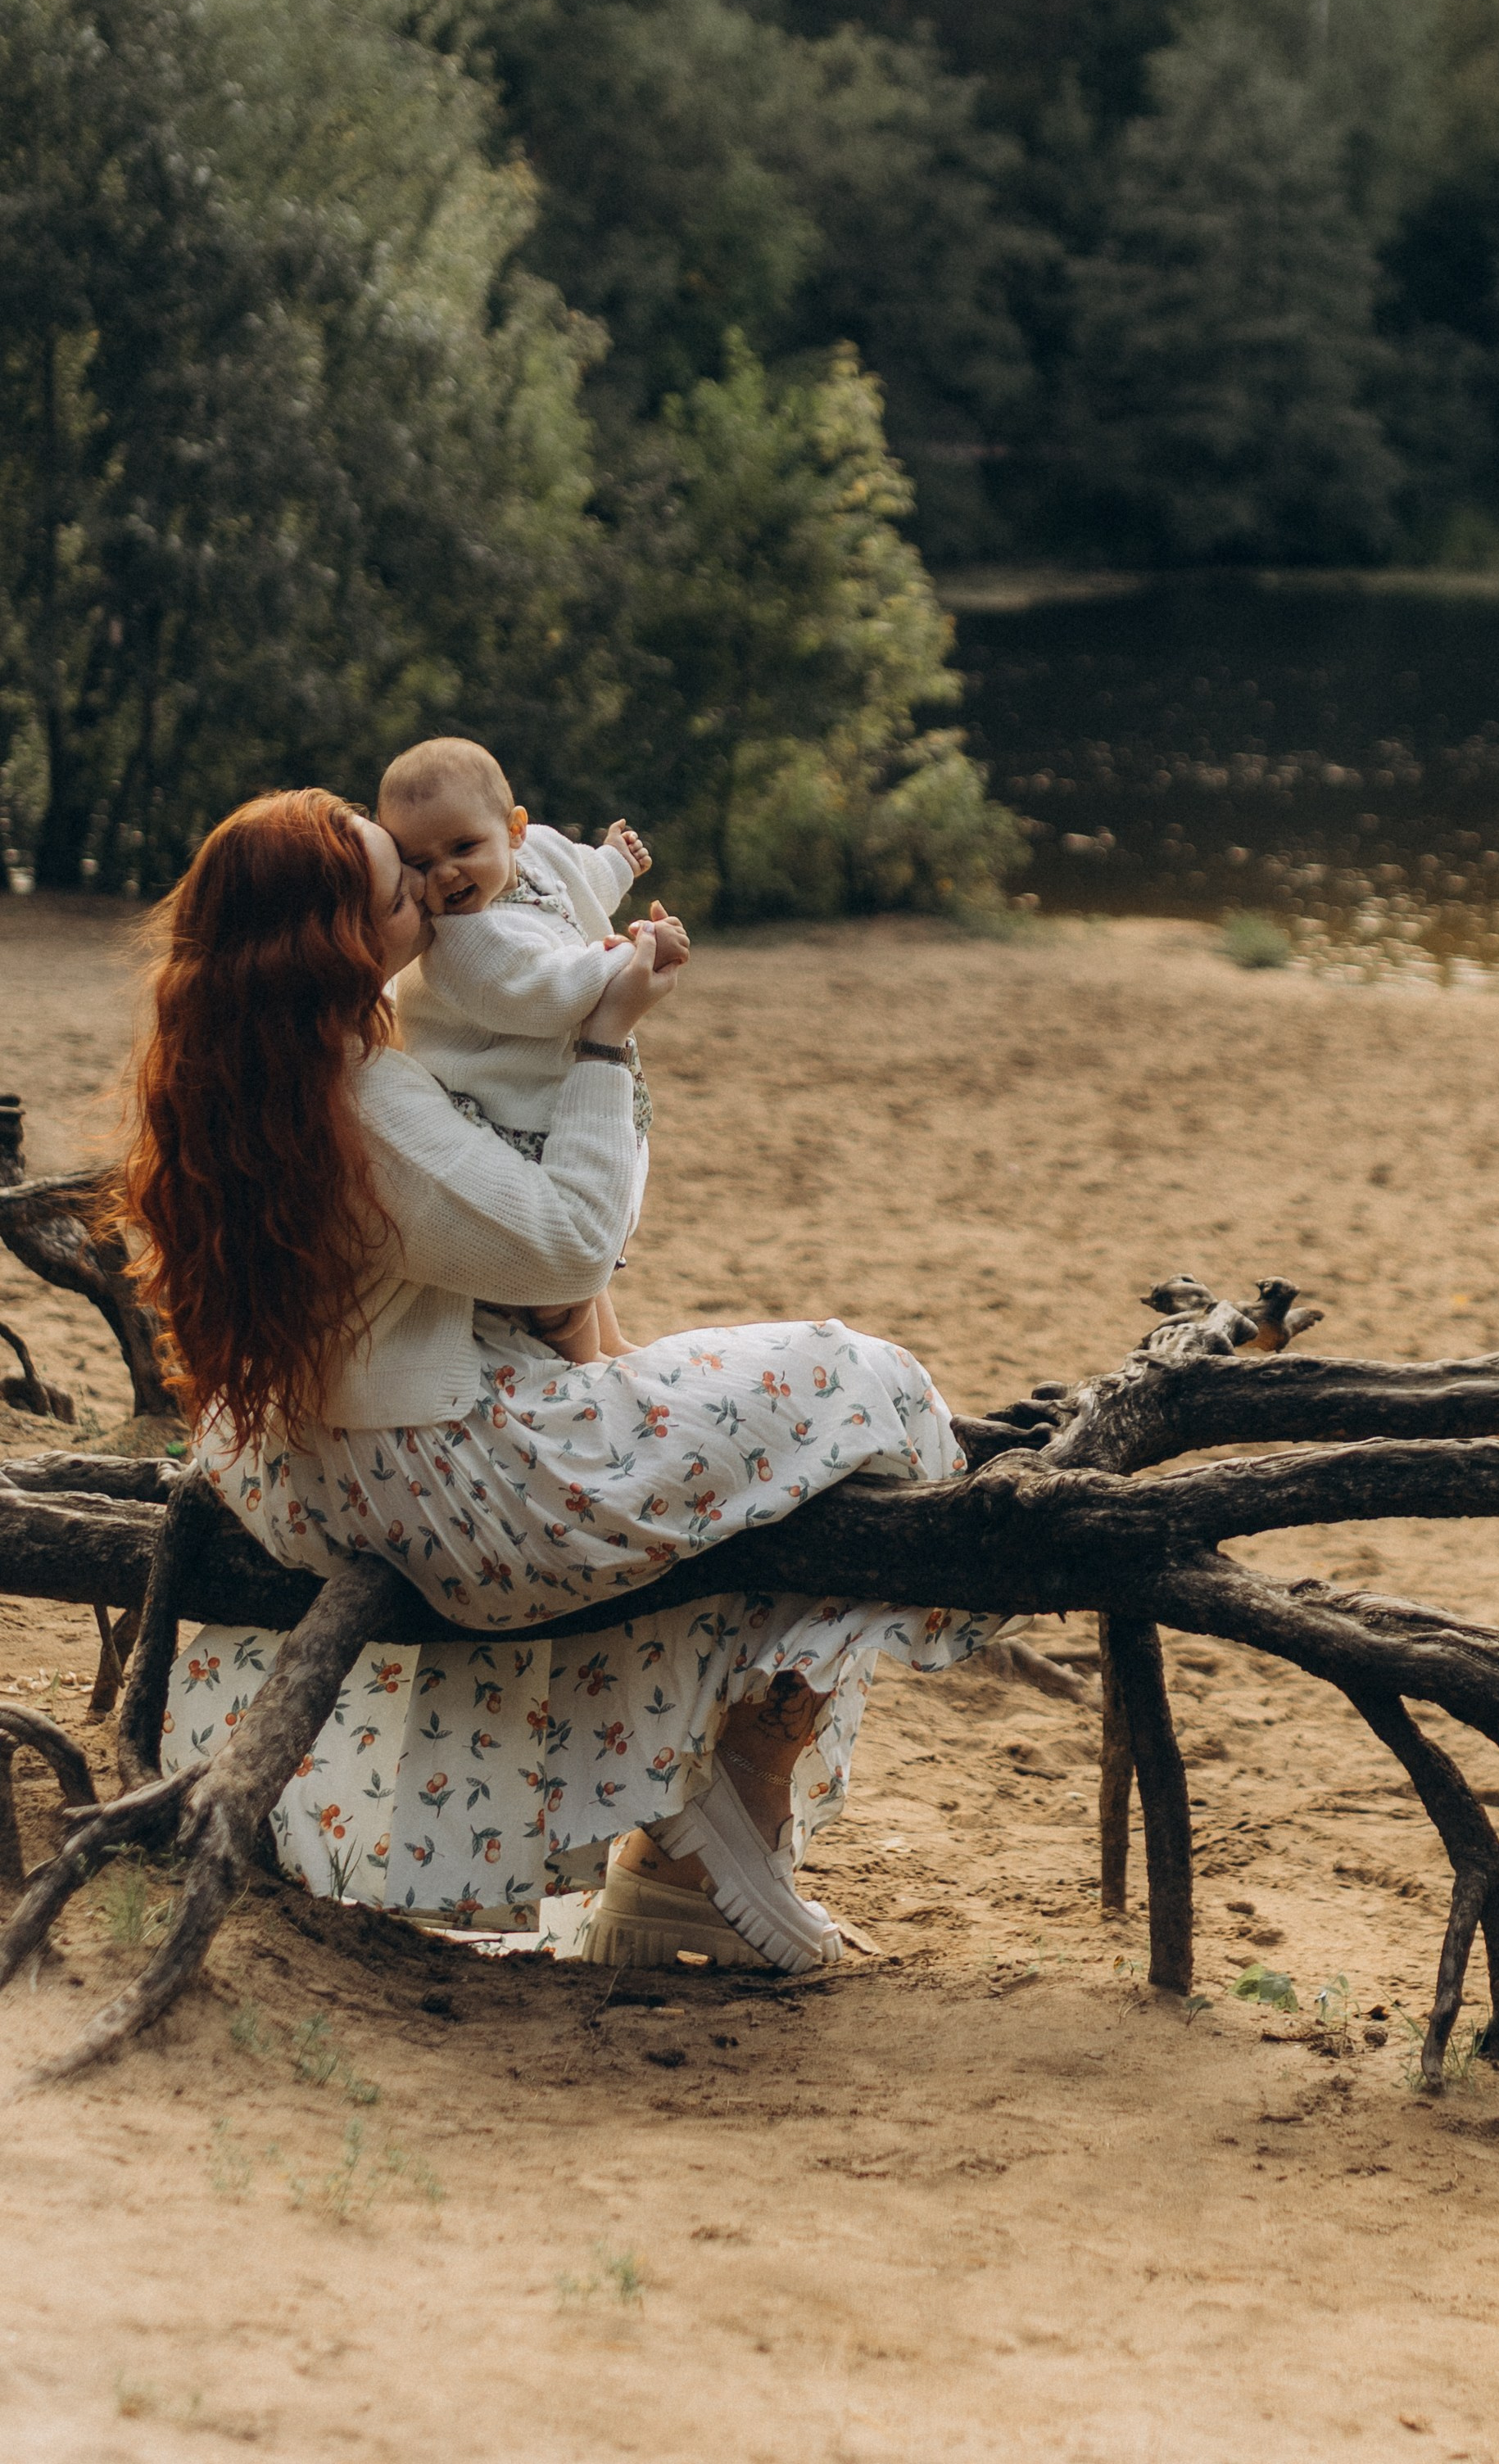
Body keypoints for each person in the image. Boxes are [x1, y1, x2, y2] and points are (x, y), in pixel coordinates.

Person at [131, 789, 1000, 1973]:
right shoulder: (359, 1101)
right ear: (334, 942)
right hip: (453, 1479)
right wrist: (605, 1034)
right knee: (871, 1386)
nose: (436, 899)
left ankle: (696, 1841)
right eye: (403, 892)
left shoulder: (250, 1062)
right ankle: (717, 1818)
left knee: (738, 1421)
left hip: (325, 1469)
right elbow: (571, 1240)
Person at [376, 735, 688, 1365]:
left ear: (515, 830)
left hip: (552, 1084)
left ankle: (612, 1341)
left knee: (600, 1237)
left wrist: (617, 862)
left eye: (464, 848)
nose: (446, 874)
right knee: (569, 1253)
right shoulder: (462, 944)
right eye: (420, 862)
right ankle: (582, 1357)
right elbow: (545, 994)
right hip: (513, 1111)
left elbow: (581, 884)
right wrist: (637, 953)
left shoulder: (539, 853)